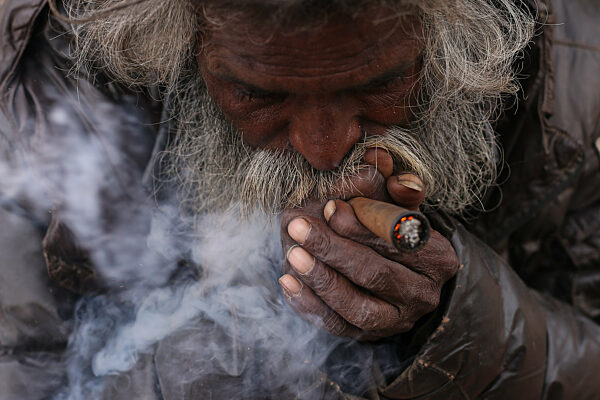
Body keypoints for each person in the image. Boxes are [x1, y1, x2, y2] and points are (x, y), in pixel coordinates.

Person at [0, 0, 599, 399]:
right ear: (182, 45)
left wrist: (451, 312)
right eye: (257, 94)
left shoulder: (579, 91)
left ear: (454, 40)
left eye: (380, 84)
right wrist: (244, 332)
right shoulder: (36, 106)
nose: (323, 150)